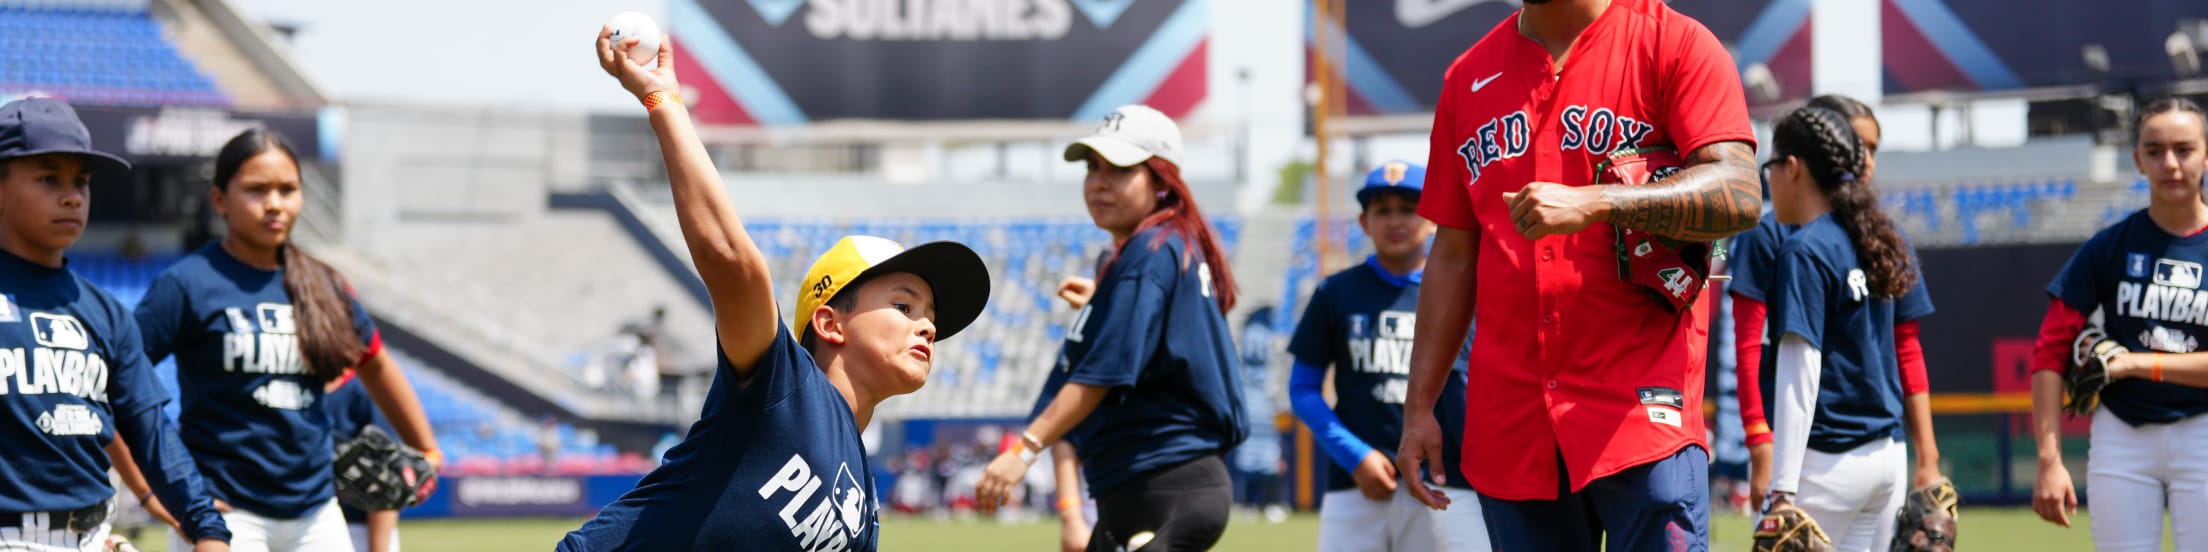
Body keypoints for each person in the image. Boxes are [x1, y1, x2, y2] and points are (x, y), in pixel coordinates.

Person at [558, 26, 992, 551]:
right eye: (904, 304)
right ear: (830, 323)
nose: (926, 326)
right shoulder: (783, 387)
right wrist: (663, 100)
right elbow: (731, 261)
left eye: (930, 317)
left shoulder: (862, 502)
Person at [1394, 0, 1760, 549]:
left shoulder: (1674, 43)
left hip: (1640, 405)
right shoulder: (1468, 75)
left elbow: (1740, 192)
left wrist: (1603, 201)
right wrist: (1419, 405)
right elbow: (1452, 255)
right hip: (1513, 419)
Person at [123, 127, 441, 552]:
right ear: (220, 199)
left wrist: (427, 449)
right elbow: (116, 382)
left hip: (317, 512)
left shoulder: (323, 284)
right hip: (225, 511)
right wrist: (149, 493)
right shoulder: (186, 284)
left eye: (287, 189)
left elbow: (376, 363)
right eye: (257, 190)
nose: (274, 203)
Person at [973, 104, 1249, 552]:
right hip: (1154, 487)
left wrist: (1024, 450)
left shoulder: (1150, 253)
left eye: (1119, 169)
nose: (1099, 182)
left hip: (1164, 482)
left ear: (1162, 181)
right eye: (1092, 167)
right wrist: (1105, 301)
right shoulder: (1160, 249)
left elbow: (1101, 374)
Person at [0, 97, 231, 552]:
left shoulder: (105, 312)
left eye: (81, 181)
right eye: (49, 178)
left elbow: (152, 432)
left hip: (93, 536)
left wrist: (207, 529)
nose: (72, 196)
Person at [1727, 94, 1945, 508]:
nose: (1864, 160)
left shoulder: (1883, 237)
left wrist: (1927, 457)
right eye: (1857, 146)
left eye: (1873, 149)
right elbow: (1750, 346)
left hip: (1867, 445)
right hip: (1805, 444)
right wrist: (1759, 439)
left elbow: (1906, 348)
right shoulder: (1772, 235)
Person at [2031, 96, 2208, 550]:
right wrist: (2049, 459)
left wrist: (2134, 364)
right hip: (2123, 435)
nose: (2170, 163)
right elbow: (2050, 353)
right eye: (2155, 151)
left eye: (2184, 149)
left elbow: (2128, 363)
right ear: (2137, 160)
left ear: (2207, 155)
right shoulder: (2108, 247)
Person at [1288, 161, 1487, 551]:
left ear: (1432, 219)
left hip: (1442, 479)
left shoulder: (1462, 292)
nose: (1395, 221)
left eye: (1408, 209)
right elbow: (1303, 388)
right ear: (1364, 222)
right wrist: (1354, 456)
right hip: (1358, 481)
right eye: (1382, 210)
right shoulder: (1335, 292)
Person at [322, 372, 399, 552]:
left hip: (358, 528)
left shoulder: (363, 390)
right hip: (302, 522)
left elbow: (385, 478)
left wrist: (378, 548)